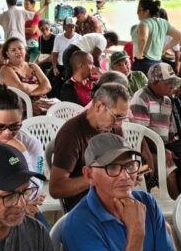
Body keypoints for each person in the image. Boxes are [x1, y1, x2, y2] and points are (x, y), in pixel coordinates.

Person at [129, 63, 181, 197]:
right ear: (155, 82)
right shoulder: (141, 97)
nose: (172, 86)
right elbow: (140, 133)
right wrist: (162, 150)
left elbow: (170, 131)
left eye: (173, 82)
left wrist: (172, 144)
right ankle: (178, 203)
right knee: (171, 167)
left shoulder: (167, 101)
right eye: (168, 82)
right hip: (145, 148)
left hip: (164, 144)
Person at [49, 83, 129, 212]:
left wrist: (129, 173)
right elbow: (56, 188)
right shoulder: (71, 134)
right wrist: (95, 177)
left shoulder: (115, 129)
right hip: (85, 206)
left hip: (113, 199)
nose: (119, 123)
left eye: (122, 118)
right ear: (99, 106)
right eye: (116, 117)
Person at [132, 0, 181, 75]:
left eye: (139, 10)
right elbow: (180, 36)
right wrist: (164, 49)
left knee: (139, 86)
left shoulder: (144, 23)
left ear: (147, 11)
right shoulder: (163, 22)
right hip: (158, 62)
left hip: (143, 63)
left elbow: (143, 38)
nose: (137, 13)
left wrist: (140, 54)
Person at [0, 37, 52, 111]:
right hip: (20, 109)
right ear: (7, 54)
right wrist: (39, 86)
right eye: (13, 50)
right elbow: (21, 88)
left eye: (20, 48)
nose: (18, 52)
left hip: (42, 103)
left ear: (25, 50)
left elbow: (47, 86)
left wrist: (32, 93)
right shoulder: (6, 69)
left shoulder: (33, 66)